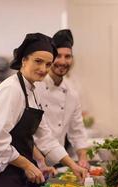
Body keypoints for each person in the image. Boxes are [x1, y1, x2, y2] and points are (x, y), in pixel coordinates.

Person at [0, 33, 86, 187]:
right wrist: (27, 164)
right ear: (24, 60)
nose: (43, 69)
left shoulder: (31, 91)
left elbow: (45, 136)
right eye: (38, 61)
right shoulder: (11, 90)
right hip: (2, 174)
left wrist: (73, 165)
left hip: (18, 172)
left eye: (48, 64)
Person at [35, 29, 89, 168]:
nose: (63, 61)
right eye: (58, 56)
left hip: (58, 161)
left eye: (68, 56)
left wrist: (82, 158)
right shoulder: (36, 87)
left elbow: (77, 131)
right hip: (33, 162)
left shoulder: (72, 93)